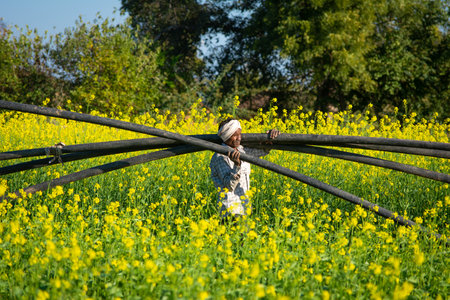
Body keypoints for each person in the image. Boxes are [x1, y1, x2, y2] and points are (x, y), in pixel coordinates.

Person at [209, 118, 280, 223]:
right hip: (231, 211)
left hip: (243, 208)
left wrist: (270, 137)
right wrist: (237, 165)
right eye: (234, 135)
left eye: (240, 134)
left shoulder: (241, 150)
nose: (239, 138)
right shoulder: (220, 157)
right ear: (227, 136)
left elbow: (263, 151)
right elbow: (229, 185)